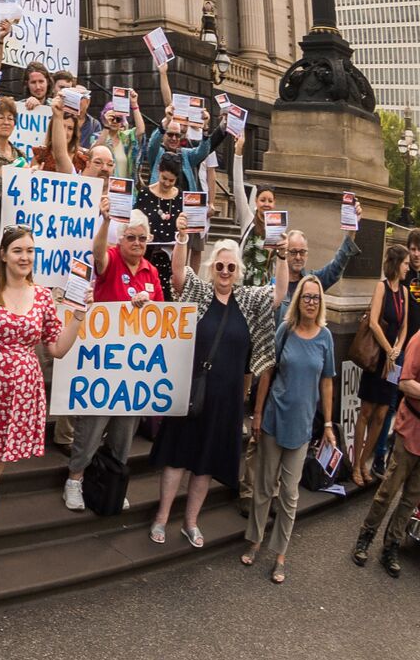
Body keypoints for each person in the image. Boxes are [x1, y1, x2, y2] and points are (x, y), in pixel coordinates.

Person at [0, 227, 81, 584]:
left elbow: (56, 349)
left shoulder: (42, 297)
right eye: (18, 250)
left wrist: (81, 317)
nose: (26, 257)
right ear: (3, 254)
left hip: (20, 394)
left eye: (31, 251)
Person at [157, 239, 286, 547]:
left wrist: (281, 256)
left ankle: (190, 522)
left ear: (238, 270)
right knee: (177, 458)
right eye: (219, 266)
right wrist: (183, 239)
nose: (225, 272)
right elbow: (177, 276)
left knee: (205, 463)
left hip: (226, 400)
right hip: (192, 393)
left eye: (230, 267)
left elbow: (279, 294)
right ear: (211, 268)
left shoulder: (248, 300)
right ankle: (161, 519)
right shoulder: (199, 292)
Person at [59, 207, 164, 511]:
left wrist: (149, 307)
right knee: (92, 425)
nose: (136, 243)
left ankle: (113, 477)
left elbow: (161, 316)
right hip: (101, 362)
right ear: (121, 239)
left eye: (142, 238)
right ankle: (75, 479)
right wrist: (106, 221)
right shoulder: (112, 258)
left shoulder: (151, 271)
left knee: (124, 430)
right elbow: (97, 254)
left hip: (133, 365)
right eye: (130, 237)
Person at [247, 275, 337, 585]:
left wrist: (327, 423)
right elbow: (268, 373)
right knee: (263, 487)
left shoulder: (326, 337)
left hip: (301, 427)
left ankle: (280, 553)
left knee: (289, 494)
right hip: (273, 419)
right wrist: (257, 414)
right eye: (306, 296)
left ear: (320, 303)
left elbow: (327, 381)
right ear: (298, 299)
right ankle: (256, 539)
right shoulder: (284, 331)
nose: (310, 302)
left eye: (315, 298)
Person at [352, 324, 420, 576]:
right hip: (410, 429)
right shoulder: (418, 340)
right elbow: (404, 382)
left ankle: (391, 545)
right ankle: (365, 537)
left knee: (411, 499)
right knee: (388, 491)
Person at [350, 244, 410, 486]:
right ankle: (355, 465)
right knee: (366, 411)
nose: (408, 267)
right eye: (405, 263)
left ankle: (365, 462)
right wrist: (388, 350)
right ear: (396, 264)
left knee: (383, 412)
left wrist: (398, 349)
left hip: (393, 361)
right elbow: (374, 323)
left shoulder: (404, 292)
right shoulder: (381, 287)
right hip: (377, 358)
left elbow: (405, 326)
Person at [133, 159, 186, 294]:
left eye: (171, 180)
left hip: (171, 260)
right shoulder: (145, 193)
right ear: (159, 171)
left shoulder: (181, 197)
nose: (167, 183)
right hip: (146, 257)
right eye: (164, 178)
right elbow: (136, 221)